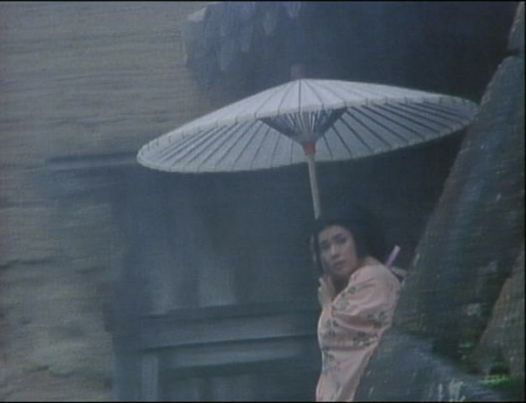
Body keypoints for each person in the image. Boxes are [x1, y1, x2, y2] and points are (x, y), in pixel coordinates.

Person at [311, 207, 404, 401]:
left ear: (358, 239)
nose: (334, 253)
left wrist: (327, 304)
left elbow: (332, 331)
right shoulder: (358, 281)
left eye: (341, 241)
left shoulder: (373, 278)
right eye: (325, 247)